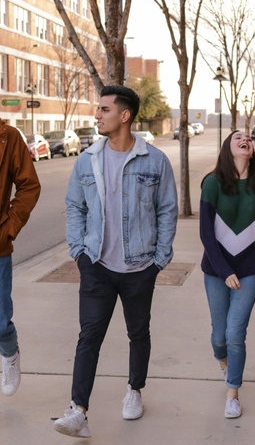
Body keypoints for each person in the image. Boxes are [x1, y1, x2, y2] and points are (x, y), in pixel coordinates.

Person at [54, 85, 178, 438]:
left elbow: (167, 209)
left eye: (104, 110)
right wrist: (78, 251)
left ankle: (134, 390)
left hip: (140, 267)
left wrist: (159, 259)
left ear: (124, 116)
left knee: (138, 332)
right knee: (89, 335)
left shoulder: (155, 161)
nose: (97, 115)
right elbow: (75, 207)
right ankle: (78, 410)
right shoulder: (87, 159)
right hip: (96, 265)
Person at [200, 130, 255, 419]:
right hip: (216, 270)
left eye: (249, 137)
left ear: (252, 149)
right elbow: (206, 235)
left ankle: (232, 392)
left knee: (235, 332)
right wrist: (224, 272)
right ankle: (224, 362)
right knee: (218, 336)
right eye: (238, 137)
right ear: (228, 147)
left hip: (250, 271)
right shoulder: (212, 183)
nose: (245, 139)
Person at [0, 120, 41, 396]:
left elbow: (29, 185)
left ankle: (9, 353)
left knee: (0, 322)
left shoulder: (8, 136)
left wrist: (9, 228)